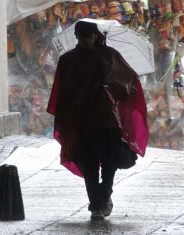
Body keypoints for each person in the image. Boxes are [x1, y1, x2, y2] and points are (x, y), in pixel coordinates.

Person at [47, 21, 148, 220]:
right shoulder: (70, 60)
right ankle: (96, 203)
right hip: (83, 120)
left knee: (109, 159)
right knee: (89, 161)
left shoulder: (109, 57)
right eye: (82, 36)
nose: (85, 40)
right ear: (77, 37)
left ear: (95, 35)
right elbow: (63, 91)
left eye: (88, 36)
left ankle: (103, 195)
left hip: (106, 119)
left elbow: (126, 84)